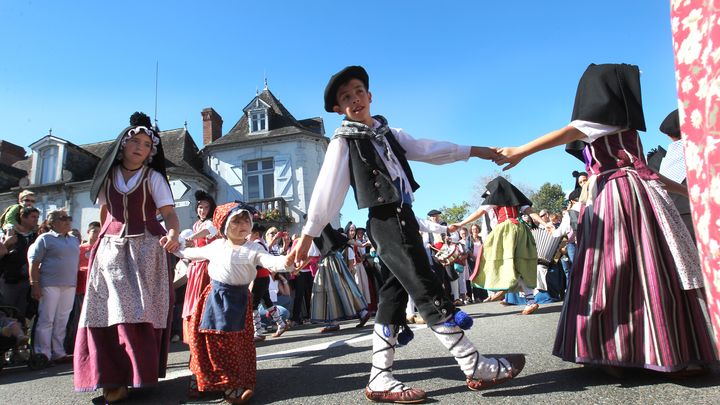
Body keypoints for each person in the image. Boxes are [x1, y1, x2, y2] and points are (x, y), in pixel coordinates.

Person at [287, 65, 525, 403]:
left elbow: (429, 149)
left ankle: (380, 378)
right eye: (345, 97)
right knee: (425, 290)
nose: (354, 99)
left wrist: (479, 150)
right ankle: (474, 366)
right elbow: (328, 192)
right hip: (385, 221)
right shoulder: (344, 141)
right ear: (339, 108)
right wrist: (308, 235)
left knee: (392, 298)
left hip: (404, 218)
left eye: (358, 91)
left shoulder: (388, 132)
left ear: (370, 96)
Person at [495, 63, 717, 373]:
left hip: (622, 195)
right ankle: (646, 349)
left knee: (619, 272)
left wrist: (686, 190)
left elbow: (642, 168)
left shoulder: (616, 129)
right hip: (621, 195)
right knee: (634, 270)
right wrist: (522, 150)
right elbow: (571, 133)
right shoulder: (606, 124)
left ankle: (619, 350)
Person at [74, 112, 180, 402]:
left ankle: (135, 372)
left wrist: (172, 234)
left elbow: (169, 214)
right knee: (105, 309)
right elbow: (105, 212)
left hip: (146, 248)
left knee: (138, 309)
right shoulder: (107, 177)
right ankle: (111, 376)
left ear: (150, 152)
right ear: (123, 144)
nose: (140, 147)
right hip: (109, 249)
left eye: (147, 144)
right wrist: (96, 239)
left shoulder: (154, 177)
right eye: (135, 141)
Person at [172, 202, 293, 404]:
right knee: (212, 342)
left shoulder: (254, 248)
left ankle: (233, 384)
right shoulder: (217, 246)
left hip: (240, 300)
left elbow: (272, 262)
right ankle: (208, 382)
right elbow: (188, 253)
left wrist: (289, 262)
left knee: (236, 344)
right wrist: (175, 245)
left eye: (246, 219)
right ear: (224, 225)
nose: (243, 224)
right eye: (236, 221)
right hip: (215, 298)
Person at [452, 177, 552, 315]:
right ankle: (527, 299)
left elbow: (478, 213)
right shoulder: (516, 197)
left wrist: (460, 224)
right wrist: (544, 223)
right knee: (519, 265)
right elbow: (530, 211)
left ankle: (503, 285)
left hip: (506, 231)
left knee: (491, 258)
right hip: (521, 230)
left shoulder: (495, 198)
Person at [27, 209, 80, 364]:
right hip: (49, 283)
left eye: (69, 218)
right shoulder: (45, 238)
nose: (68, 221)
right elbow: (34, 263)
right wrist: (34, 285)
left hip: (69, 285)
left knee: (62, 320)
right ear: (52, 222)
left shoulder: (73, 239)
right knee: (47, 319)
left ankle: (58, 352)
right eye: (63, 218)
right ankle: (42, 353)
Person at [181, 190, 218, 343]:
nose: (202, 210)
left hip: (207, 266)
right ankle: (194, 332)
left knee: (204, 299)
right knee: (193, 300)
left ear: (211, 209)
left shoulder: (211, 223)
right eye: (200, 207)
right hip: (196, 267)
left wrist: (192, 237)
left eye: (206, 207)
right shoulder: (196, 224)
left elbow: (208, 231)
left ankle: (206, 329)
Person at [64, 221, 101, 354]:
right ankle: (74, 345)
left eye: (99, 232)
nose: (97, 235)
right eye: (94, 231)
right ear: (88, 232)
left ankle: (93, 344)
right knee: (77, 317)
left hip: (97, 289)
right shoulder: (80, 249)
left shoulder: (101, 248)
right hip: (80, 288)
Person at [250, 222, 289, 340]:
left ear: (256, 234)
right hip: (264, 277)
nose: (247, 236)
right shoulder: (261, 243)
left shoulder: (257, 244)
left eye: (249, 233)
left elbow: (257, 264)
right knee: (267, 302)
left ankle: (258, 331)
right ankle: (281, 324)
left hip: (258, 278)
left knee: (253, 305)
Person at [0, 206, 40, 322]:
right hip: (10, 280)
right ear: (23, 217)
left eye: (37, 217)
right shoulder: (8, 234)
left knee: (22, 313)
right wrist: (7, 243)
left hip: (28, 282)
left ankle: (20, 336)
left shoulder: (36, 237)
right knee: (7, 310)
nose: (36, 220)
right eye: (33, 217)